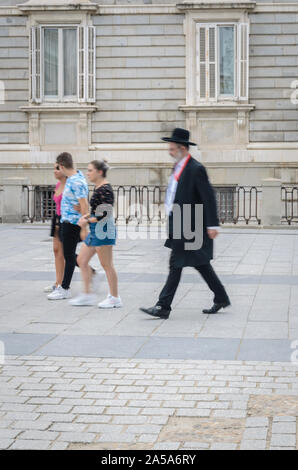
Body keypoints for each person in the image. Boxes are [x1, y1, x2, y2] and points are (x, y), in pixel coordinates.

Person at [140, 127, 231, 319]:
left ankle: (163, 306)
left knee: (176, 264)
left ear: (182, 148)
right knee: (200, 264)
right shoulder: (179, 166)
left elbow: (208, 197)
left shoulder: (195, 168)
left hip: (191, 224)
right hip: (180, 221)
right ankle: (221, 297)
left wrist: (213, 225)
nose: (169, 152)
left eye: (172, 148)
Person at [69, 160, 122, 308]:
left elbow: (106, 212)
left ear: (99, 172)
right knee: (81, 260)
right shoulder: (99, 187)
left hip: (103, 230)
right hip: (95, 230)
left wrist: (88, 220)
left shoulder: (105, 189)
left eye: (90, 170)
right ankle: (87, 295)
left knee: (107, 265)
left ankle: (114, 297)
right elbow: (98, 210)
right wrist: (86, 216)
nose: (87, 173)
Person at [47, 152, 94, 300]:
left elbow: (84, 205)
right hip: (65, 222)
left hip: (72, 224)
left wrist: (84, 227)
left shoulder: (76, 181)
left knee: (68, 256)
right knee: (68, 254)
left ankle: (64, 288)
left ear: (61, 165)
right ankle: (65, 285)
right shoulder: (73, 179)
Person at [44, 163, 66, 293]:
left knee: (67, 253)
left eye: (57, 168)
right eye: (54, 168)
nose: (54, 171)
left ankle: (89, 271)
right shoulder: (58, 185)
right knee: (56, 250)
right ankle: (58, 282)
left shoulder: (70, 185)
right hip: (57, 218)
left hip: (66, 219)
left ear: (64, 169)